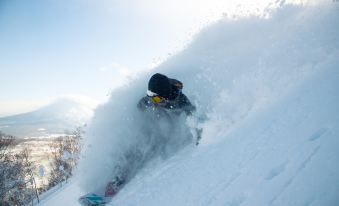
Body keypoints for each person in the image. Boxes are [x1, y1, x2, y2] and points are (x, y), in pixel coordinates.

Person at [104, 73, 197, 198]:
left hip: (171, 129)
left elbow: (194, 119)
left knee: (152, 144)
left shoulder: (181, 101)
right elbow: (142, 104)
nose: (153, 100)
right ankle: (117, 178)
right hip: (158, 121)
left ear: (165, 95)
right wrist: (144, 109)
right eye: (151, 96)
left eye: (157, 98)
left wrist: (197, 134)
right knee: (139, 143)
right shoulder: (155, 96)